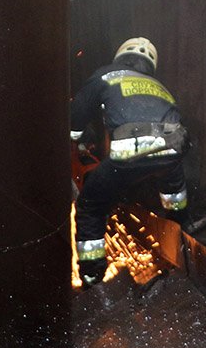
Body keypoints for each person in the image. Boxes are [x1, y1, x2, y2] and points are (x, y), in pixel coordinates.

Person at [70, 37, 189, 286]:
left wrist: (74, 135)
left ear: (120, 57)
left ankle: (92, 275)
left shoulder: (106, 75)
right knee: (174, 195)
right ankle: (179, 236)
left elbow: (80, 109)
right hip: (172, 150)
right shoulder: (159, 86)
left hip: (127, 152)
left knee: (90, 207)